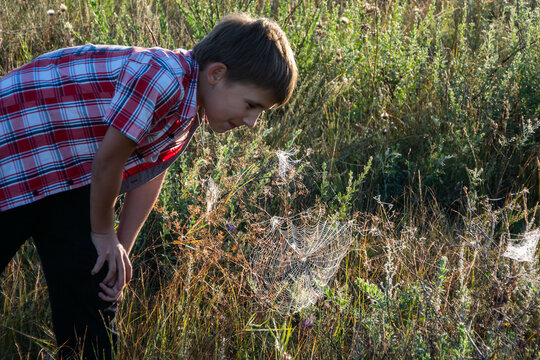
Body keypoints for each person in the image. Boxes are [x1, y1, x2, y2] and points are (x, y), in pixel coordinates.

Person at [0, 13, 297, 359]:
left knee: (93, 298)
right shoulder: (163, 76)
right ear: (217, 74)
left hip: (66, 177)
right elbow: (109, 161)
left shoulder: (188, 111)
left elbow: (149, 174)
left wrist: (118, 252)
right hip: (13, 155)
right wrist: (103, 234)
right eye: (251, 105)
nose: (251, 122)